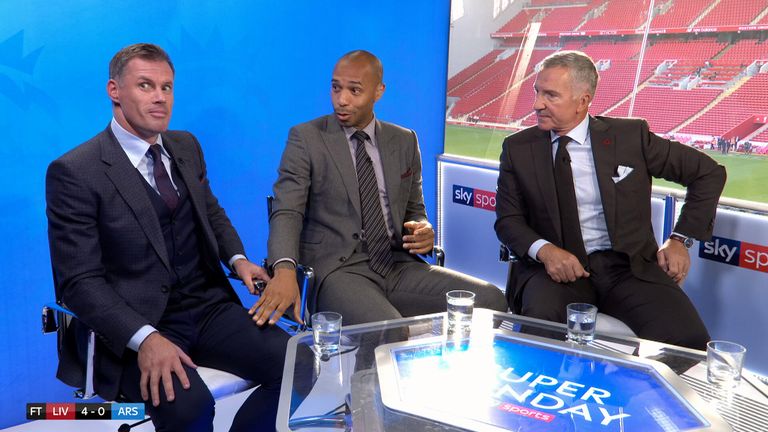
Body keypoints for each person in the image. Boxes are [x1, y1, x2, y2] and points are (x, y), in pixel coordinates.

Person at [46, 43, 288, 432]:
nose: (160, 97)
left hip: (207, 307)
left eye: (167, 87)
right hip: (136, 321)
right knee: (188, 406)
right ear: (114, 91)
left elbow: (210, 211)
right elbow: (78, 282)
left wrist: (238, 259)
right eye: (145, 85)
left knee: (299, 364)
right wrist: (144, 339)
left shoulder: (186, 145)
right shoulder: (75, 171)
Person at [495, 51, 725, 350]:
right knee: (540, 328)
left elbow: (708, 173)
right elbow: (508, 221)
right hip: (552, 270)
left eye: (550, 95)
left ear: (582, 101)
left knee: (687, 341)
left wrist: (680, 239)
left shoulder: (630, 137)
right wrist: (546, 251)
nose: (537, 104)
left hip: (628, 268)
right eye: (537, 92)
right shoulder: (517, 148)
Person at [258, 50, 506, 326]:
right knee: (390, 330)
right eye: (336, 88)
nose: (342, 99)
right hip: (338, 270)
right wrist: (284, 269)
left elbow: (415, 210)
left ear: (378, 91)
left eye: (354, 90)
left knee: (491, 301)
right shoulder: (306, 138)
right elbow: (287, 211)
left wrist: (423, 229)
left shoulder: (404, 140)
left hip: (397, 264)